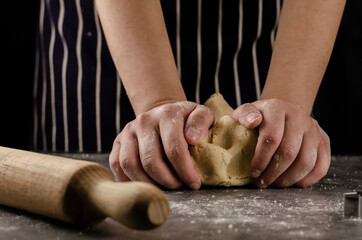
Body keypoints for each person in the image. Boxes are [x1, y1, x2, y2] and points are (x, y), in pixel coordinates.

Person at [34, 0, 346, 189]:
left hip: (262, 37)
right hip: (111, 45)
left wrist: (289, 99)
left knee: (278, 148)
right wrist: (156, 102)